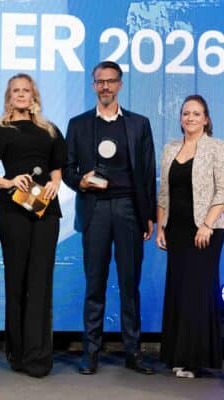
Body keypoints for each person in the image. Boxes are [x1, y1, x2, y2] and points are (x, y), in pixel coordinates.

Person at [62, 61, 156, 375]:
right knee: (95, 284)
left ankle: (134, 353)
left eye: (110, 81)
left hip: (129, 209)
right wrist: (80, 181)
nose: (105, 86)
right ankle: (90, 353)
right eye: (100, 81)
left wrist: (148, 215)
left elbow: (148, 172)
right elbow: (67, 169)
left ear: (120, 84)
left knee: (130, 285)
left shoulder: (139, 124)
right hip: (95, 210)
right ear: (93, 86)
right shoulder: (78, 124)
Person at [0, 73, 65, 378]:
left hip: (45, 210)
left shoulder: (50, 130)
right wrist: (9, 182)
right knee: (17, 281)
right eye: (16, 90)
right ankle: (18, 353)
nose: (21, 94)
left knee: (41, 281)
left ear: (33, 95)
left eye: (26, 90)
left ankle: (39, 356)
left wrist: (54, 184)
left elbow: (57, 168)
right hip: (13, 210)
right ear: (9, 96)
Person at [156, 94, 224, 378]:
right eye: (186, 113)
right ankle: (177, 356)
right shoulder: (170, 149)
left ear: (206, 119)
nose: (190, 118)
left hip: (206, 231)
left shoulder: (217, 147)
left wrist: (207, 225)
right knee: (177, 291)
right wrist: (161, 227)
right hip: (176, 230)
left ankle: (193, 360)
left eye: (196, 113)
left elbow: (223, 191)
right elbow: (164, 193)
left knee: (196, 293)